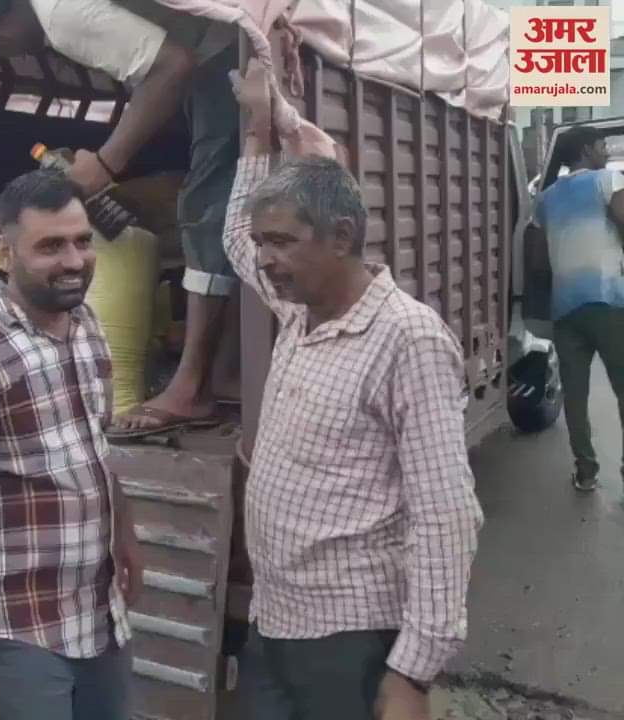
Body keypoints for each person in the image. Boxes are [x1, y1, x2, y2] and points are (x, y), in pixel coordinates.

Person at [223, 60, 484, 718]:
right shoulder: (297, 311)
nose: (265, 259)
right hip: (276, 618)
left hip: (349, 638)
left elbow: (445, 517)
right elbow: (233, 241)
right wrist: (257, 131)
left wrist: (413, 672)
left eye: (280, 241)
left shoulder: (407, 340)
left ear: (341, 237)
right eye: (264, 243)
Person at [0, 0, 241, 435]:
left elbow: (173, 66)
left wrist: (105, 164)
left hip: (224, 56)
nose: (14, 56)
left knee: (207, 212)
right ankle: (224, 373)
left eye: (0, 52)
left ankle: (191, 389)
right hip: (221, 50)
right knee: (229, 210)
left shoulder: (59, 14)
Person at [0, 169, 143, 720]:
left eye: (82, 241)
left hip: (100, 608)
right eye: (50, 246)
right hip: (23, 624)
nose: (73, 260)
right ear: (6, 252)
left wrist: (127, 534)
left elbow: (95, 446)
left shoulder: (85, 323)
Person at [529, 125, 624, 492]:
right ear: (587, 150)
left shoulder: (547, 198)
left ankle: (586, 471)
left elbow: (537, 263)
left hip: (565, 309)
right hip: (609, 300)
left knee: (575, 395)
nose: (605, 150)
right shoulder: (608, 181)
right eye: (602, 145)